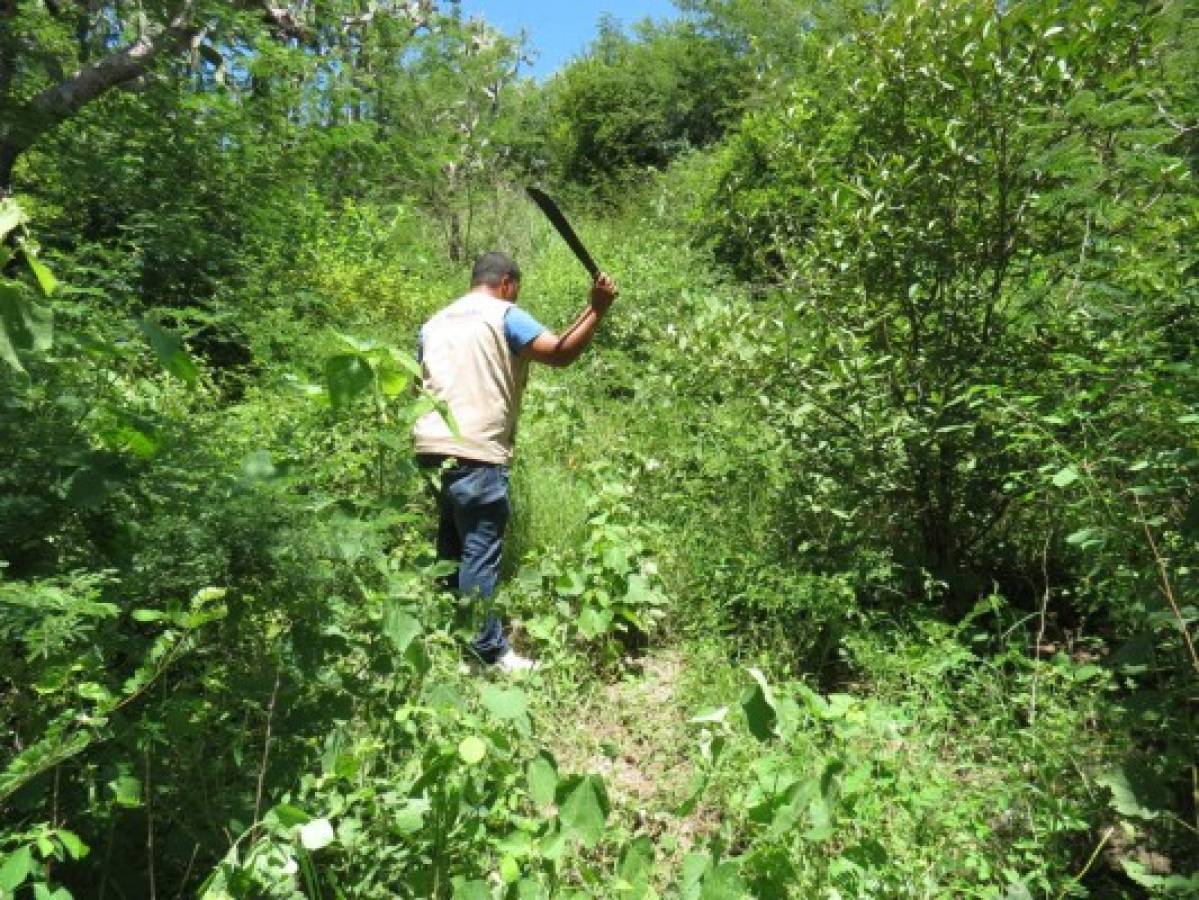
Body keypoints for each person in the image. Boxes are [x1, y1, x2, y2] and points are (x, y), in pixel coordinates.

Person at [413, 251, 618, 672]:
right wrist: (596, 311)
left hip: (431, 449)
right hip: (478, 450)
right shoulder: (503, 314)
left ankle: (449, 640)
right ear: (507, 282)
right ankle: (488, 654)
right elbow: (559, 352)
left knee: (451, 547)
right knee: (478, 552)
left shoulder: (434, 322)